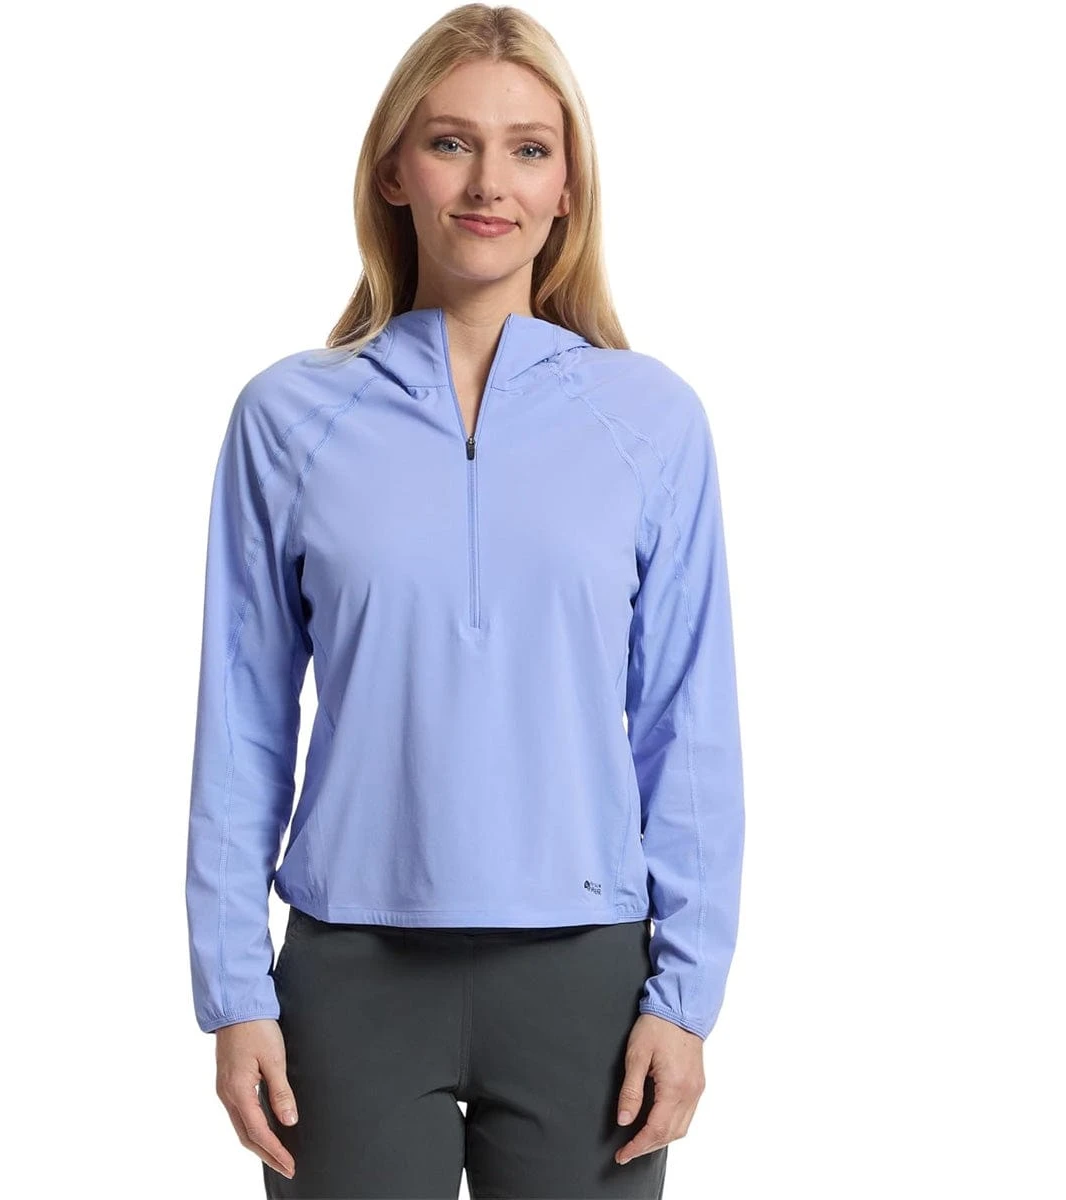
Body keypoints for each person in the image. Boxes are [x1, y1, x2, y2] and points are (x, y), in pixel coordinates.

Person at [184, 5, 745, 1197]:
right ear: (394, 169)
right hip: (350, 975)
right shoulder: (288, 417)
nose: (491, 182)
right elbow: (241, 725)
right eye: (452, 143)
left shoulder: (651, 421)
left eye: (529, 149)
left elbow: (686, 727)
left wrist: (687, 995)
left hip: (590, 980)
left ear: (567, 188)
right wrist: (233, 992)